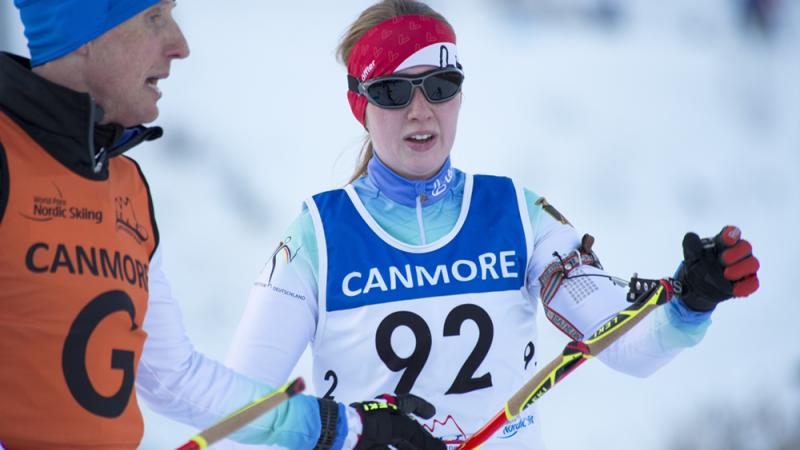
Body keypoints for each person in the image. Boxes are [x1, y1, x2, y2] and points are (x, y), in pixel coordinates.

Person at [226, 0, 762, 449]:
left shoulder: (516, 214)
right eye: (392, 91)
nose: (420, 110)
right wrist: (347, 430)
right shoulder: (319, 235)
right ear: (359, 105)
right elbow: (235, 410)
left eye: (440, 86)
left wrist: (692, 301)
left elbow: (630, 348)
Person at [0, 1, 446, 449]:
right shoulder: (7, 155)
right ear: (84, 36)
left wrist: (345, 428)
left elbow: (175, 379)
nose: (180, 45)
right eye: (153, 18)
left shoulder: (124, 186)